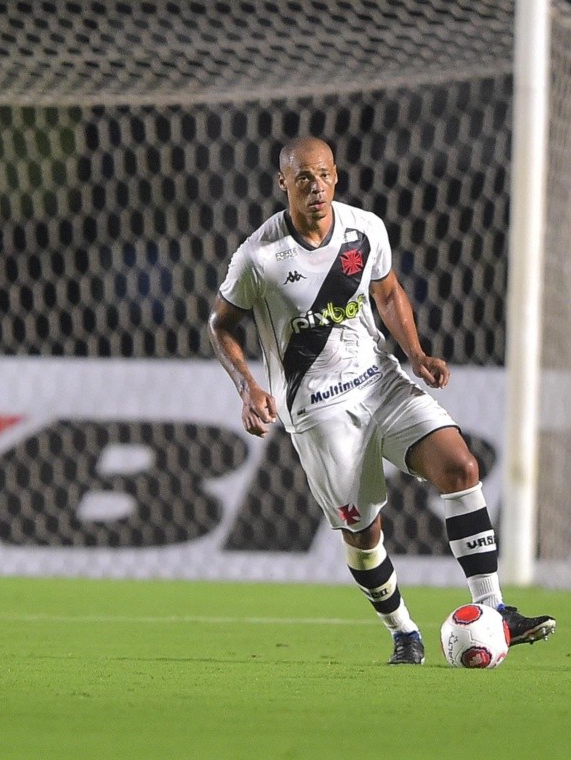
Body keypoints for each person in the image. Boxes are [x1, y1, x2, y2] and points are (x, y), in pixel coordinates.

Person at [207, 135, 556, 664]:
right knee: (364, 532)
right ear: (283, 184)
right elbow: (221, 323)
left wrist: (415, 353)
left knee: (461, 467)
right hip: (317, 409)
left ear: (336, 177)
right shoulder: (260, 256)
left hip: (381, 382)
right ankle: (403, 631)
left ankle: (495, 609)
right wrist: (248, 386)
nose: (315, 186)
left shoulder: (364, 230)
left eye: (323, 175)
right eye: (303, 177)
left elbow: (387, 293)